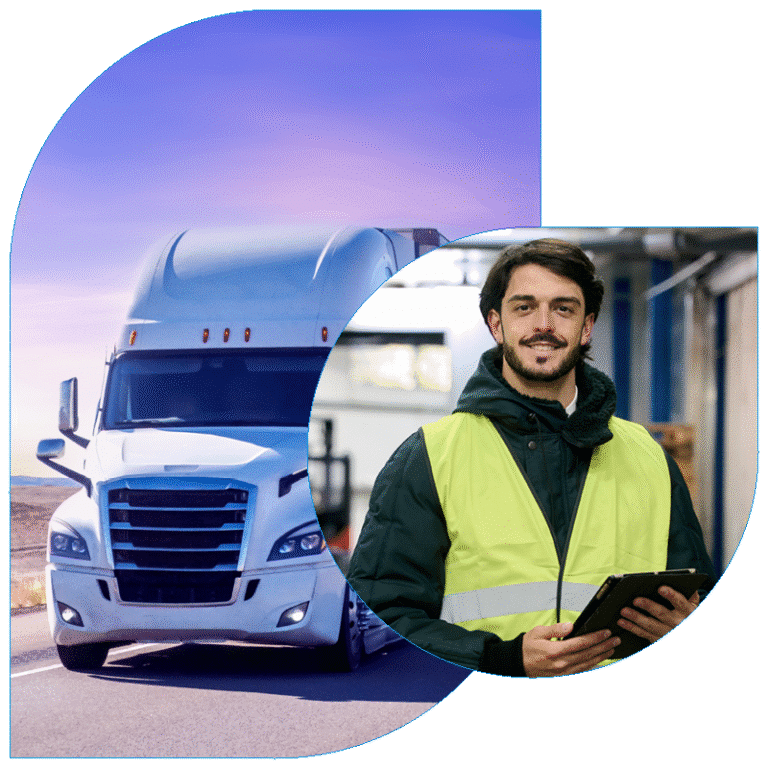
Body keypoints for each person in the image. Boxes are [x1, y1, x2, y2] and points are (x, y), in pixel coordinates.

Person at [346, 238, 716, 677]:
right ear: (496, 324)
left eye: (563, 308)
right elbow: (379, 616)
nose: (544, 324)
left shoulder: (651, 461)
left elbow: (697, 599)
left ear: (587, 326)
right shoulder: (429, 457)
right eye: (524, 307)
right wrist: (501, 659)